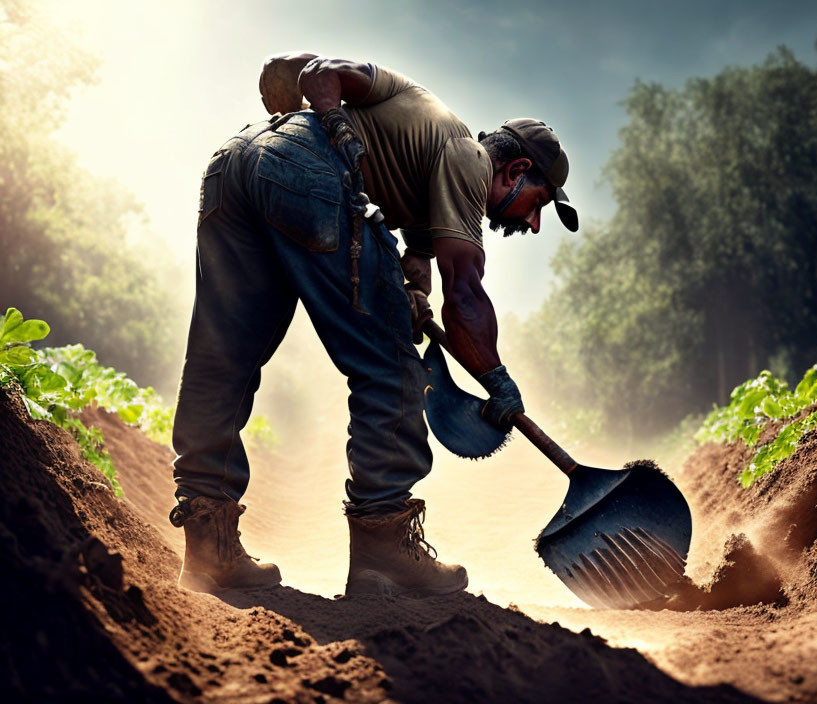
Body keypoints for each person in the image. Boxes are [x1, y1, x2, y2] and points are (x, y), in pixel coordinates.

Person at [168, 52, 578, 597]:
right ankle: (382, 556)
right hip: (307, 167)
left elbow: (421, 272)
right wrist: (497, 378)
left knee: (223, 358)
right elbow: (465, 295)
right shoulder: (465, 157)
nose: (532, 220)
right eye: (538, 204)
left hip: (235, 164)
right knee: (392, 369)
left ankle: (208, 547)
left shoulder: (423, 151)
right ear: (516, 170)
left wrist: (409, 289)